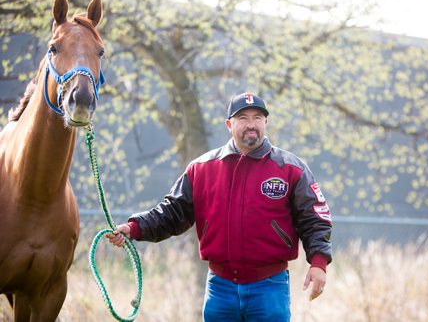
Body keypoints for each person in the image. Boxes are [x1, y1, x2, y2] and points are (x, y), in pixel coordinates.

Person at [107, 92, 333, 322]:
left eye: (257, 117)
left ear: (266, 122)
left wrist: (319, 263)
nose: (251, 124)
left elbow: (315, 218)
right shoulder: (201, 169)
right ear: (229, 124)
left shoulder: (291, 168)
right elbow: (172, 212)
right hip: (220, 288)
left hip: (269, 287)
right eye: (243, 118)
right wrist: (134, 227)